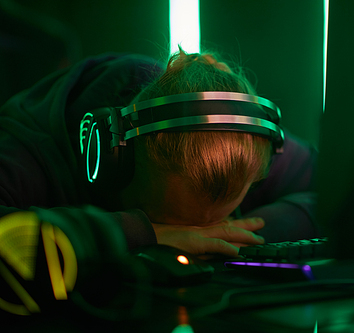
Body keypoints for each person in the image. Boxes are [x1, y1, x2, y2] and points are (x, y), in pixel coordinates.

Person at [0, 48, 318, 261]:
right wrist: (144, 232)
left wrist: (238, 235)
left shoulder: (234, 135)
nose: (196, 239)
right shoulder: (25, 146)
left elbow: (331, 190)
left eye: (213, 223)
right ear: (116, 157)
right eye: (174, 224)